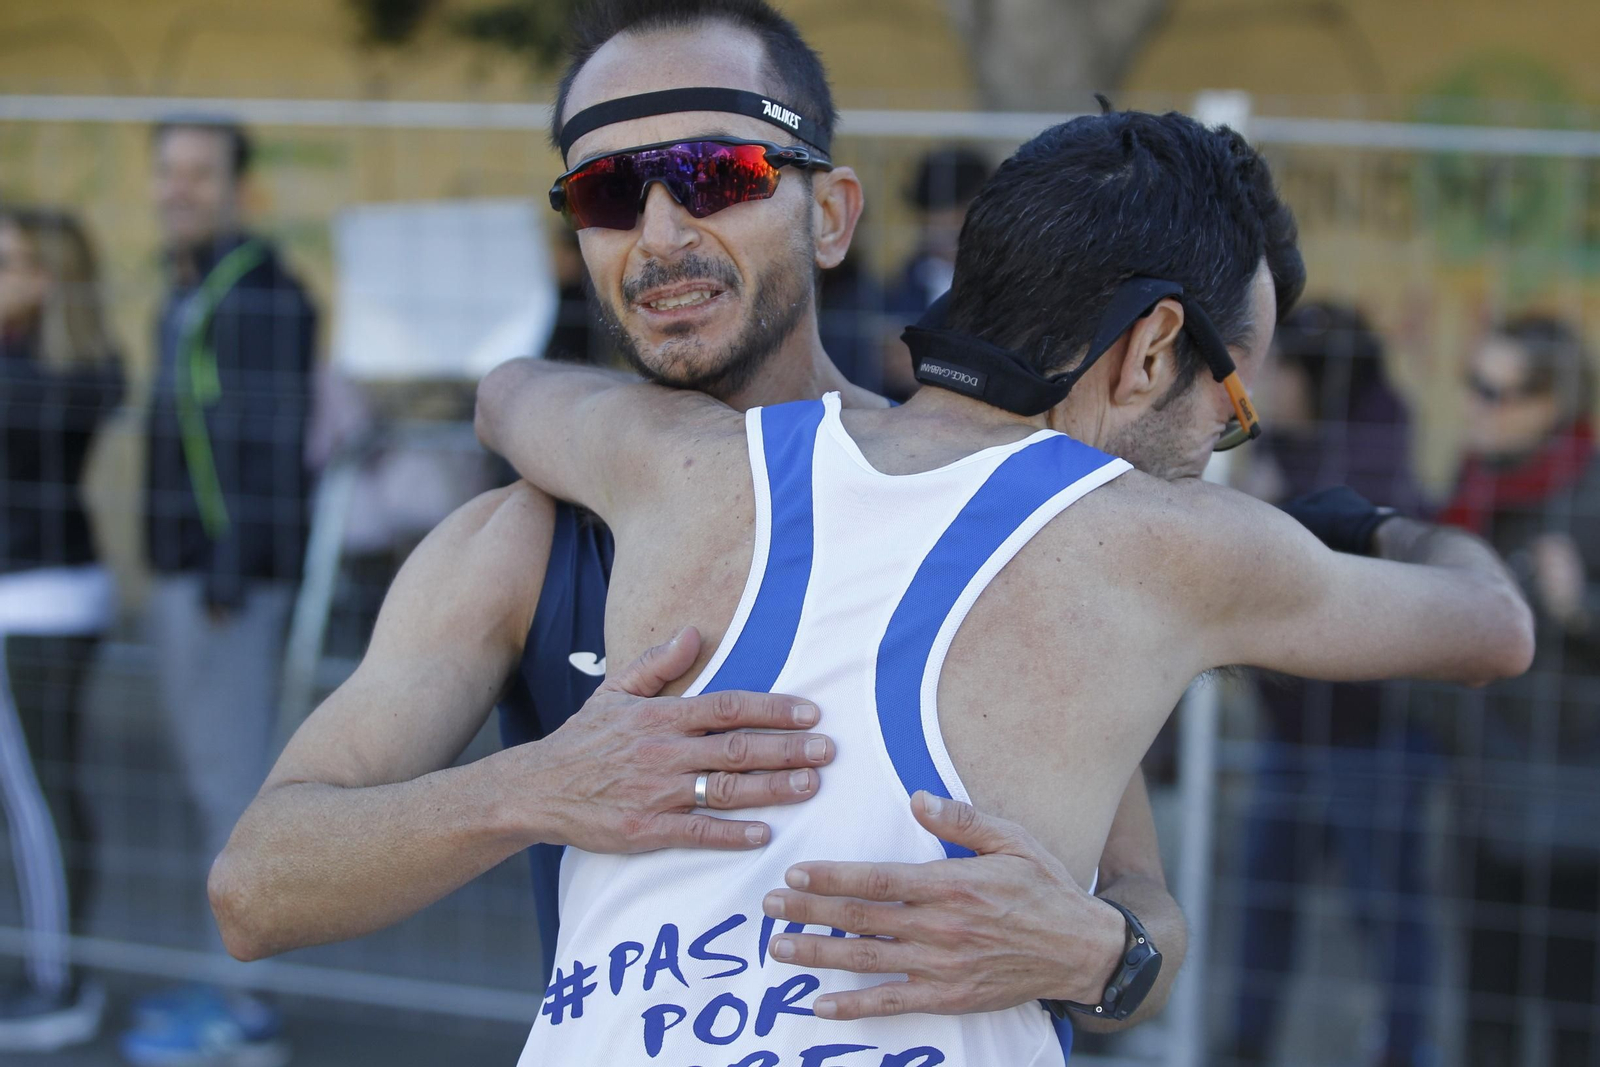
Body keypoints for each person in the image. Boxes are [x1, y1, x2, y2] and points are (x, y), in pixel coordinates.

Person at [470, 93, 1533, 1061]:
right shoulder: (1180, 545)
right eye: (1231, 400)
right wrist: (1378, 526)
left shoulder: (682, 456)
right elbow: (1491, 626)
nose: (1219, 439)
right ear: (1155, 345)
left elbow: (509, 391)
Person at [211, 0, 1189, 1044]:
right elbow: (257, 884)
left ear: (830, 213)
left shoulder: (993, 508)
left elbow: (1145, 902)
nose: (662, 234)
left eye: (719, 174)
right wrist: (532, 786)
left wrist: (1101, 953)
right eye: (607, 194)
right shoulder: (526, 540)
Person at [130, 117, 314, 1067]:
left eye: (198, 173)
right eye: (168, 172)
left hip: (221, 586)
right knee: (213, 787)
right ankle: (228, 984)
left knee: (231, 790)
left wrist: (227, 571)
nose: (178, 188)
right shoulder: (196, 286)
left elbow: (267, 447)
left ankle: (247, 1012)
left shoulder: (261, 293)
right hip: (191, 576)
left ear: (239, 186)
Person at [1227, 303, 1440, 1067]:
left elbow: (1341, 541)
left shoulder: (1378, 439)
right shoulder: (1286, 442)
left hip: (1371, 727)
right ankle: (1246, 1040)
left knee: (1385, 906)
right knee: (1265, 898)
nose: (1267, 382)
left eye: (1282, 367)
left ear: (1322, 377)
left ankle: (1408, 1045)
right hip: (1291, 720)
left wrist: (1278, 501)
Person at [1439, 316, 1600, 1067]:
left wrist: (1580, 609)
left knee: (1575, 1023)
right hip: (1485, 801)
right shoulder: (1477, 487)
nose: (1475, 406)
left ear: (1552, 401)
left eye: (1494, 391)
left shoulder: (1588, 496)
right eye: (1472, 383)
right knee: (1486, 1021)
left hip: (1575, 821)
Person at [0, 206, 123, 1051]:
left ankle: (56, 978)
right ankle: (48, 965)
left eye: (8, 261)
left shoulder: (57, 371)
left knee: (36, 801)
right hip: (40, 593)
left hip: (33, 603)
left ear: (50, 276)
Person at [877, 147, 991, 399]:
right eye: (930, 216)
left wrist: (932, 370)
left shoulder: (1007, 289)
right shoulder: (894, 291)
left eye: (953, 215)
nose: (938, 226)